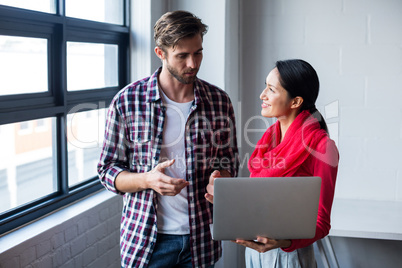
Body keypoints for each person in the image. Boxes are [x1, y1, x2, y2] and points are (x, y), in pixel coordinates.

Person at [98, 10, 239, 268]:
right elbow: (107, 170)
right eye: (182, 56)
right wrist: (147, 180)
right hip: (147, 243)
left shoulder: (219, 101)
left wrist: (221, 178)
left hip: (201, 240)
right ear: (160, 53)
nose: (193, 64)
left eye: (198, 52)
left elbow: (229, 160)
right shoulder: (127, 101)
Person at [206, 59, 339, 267]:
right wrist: (226, 201)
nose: (262, 95)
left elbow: (321, 222)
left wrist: (284, 242)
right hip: (255, 254)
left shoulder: (322, 147)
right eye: (265, 86)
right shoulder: (268, 140)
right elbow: (261, 206)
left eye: (271, 89)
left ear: (295, 102)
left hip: (290, 255)